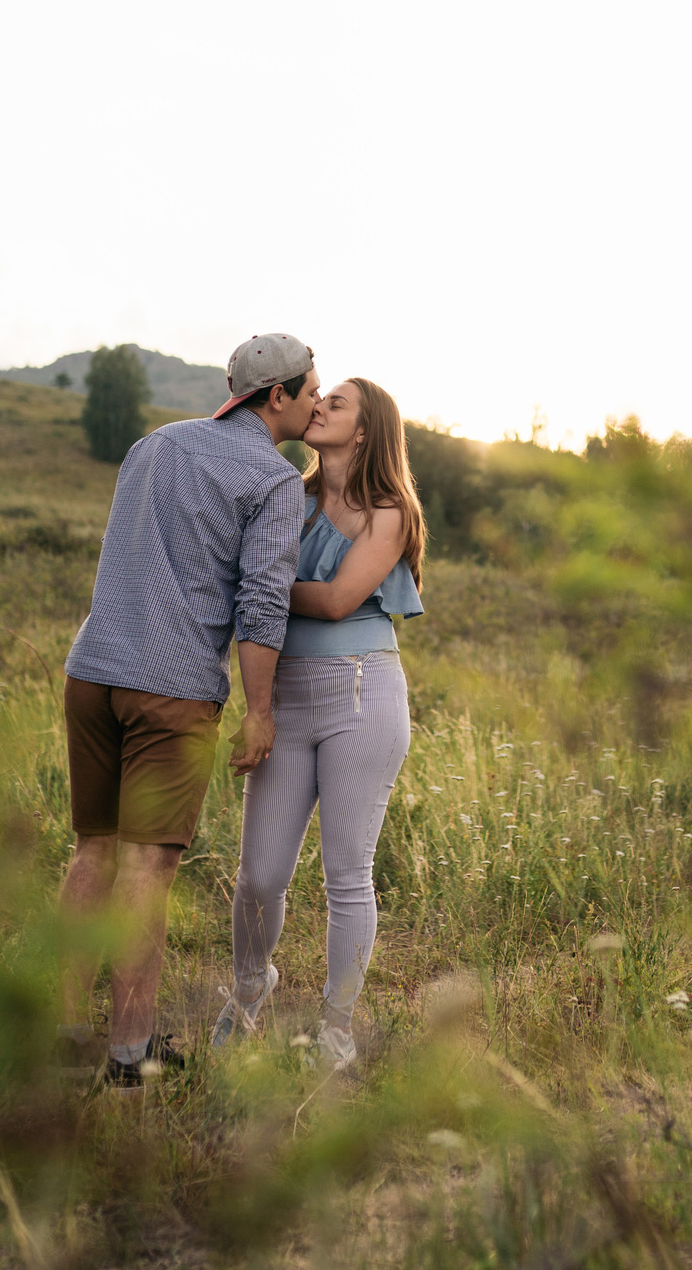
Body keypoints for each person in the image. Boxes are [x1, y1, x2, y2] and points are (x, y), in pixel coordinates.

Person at [55, 333, 318, 1089]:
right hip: (169, 690)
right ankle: (129, 1054)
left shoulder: (154, 444)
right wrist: (259, 711)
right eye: (310, 392)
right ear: (277, 395)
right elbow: (262, 601)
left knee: (94, 853)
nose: (315, 404)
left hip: (92, 672)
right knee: (147, 867)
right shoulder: (273, 480)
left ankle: (65, 1037)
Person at [213, 376, 426, 1070]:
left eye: (337, 403)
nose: (319, 405)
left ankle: (336, 1027)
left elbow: (337, 601)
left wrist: (260, 586)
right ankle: (250, 988)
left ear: (364, 431)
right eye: (319, 396)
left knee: (347, 875)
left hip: (361, 695)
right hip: (285, 694)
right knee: (258, 876)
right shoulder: (288, 497)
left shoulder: (389, 511)